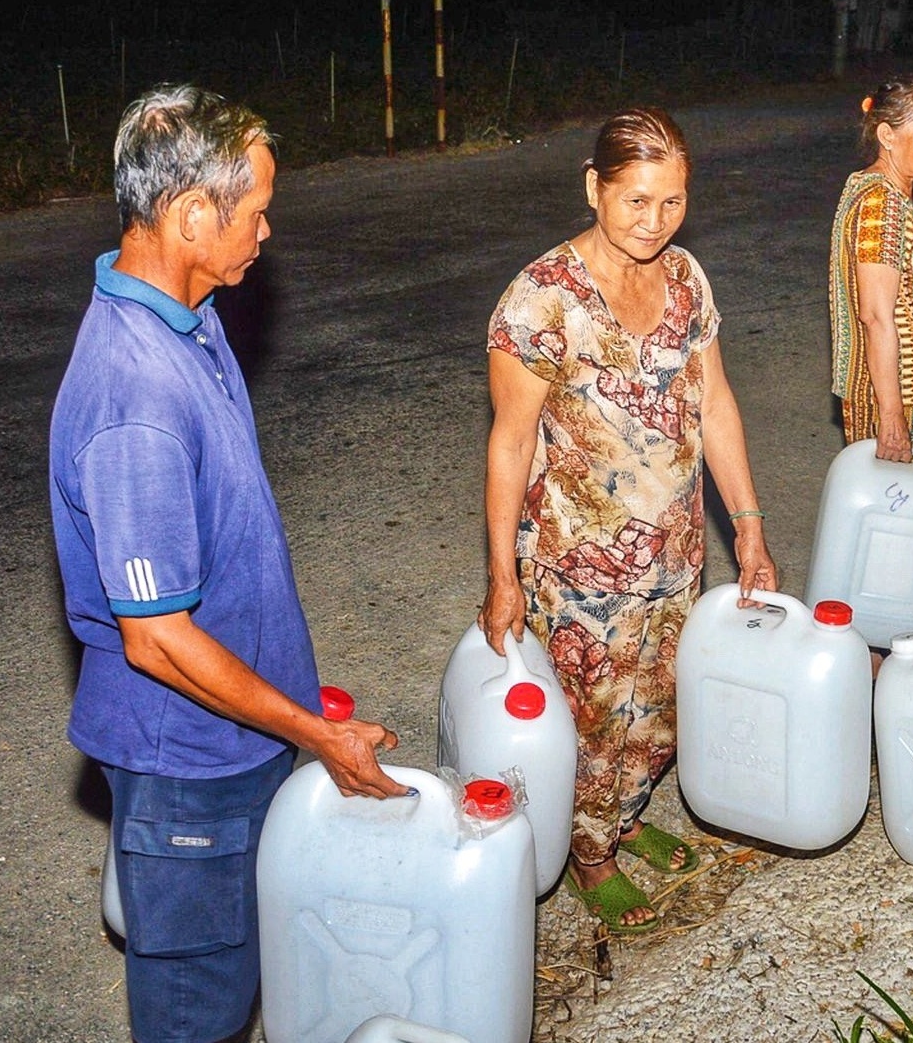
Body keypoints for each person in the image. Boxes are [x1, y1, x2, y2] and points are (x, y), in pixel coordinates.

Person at [49, 84, 408, 1043]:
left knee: (247, 967)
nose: (266, 229)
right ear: (192, 216)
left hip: (233, 737)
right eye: (255, 211)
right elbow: (159, 640)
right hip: (186, 766)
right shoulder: (135, 401)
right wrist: (315, 733)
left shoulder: (188, 311)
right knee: (196, 1009)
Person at [479, 107, 778, 935]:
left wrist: (746, 524)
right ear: (593, 187)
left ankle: (624, 813)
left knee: (662, 706)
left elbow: (713, 403)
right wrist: (502, 575)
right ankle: (589, 851)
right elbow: (508, 445)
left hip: (678, 552)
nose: (654, 223)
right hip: (578, 568)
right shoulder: (541, 299)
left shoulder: (686, 278)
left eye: (672, 202)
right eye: (635, 201)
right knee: (593, 716)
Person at [829, 75, 913, 463]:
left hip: (909, 392)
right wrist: (892, 417)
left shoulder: (878, 190)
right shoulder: (881, 206)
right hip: (901, 394)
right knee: (899, 511)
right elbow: (874, 316)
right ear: (887, 135)